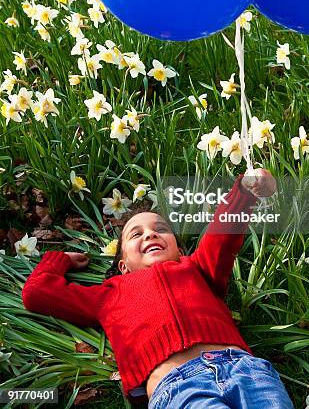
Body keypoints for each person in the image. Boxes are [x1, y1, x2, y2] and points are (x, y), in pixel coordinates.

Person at [22, 169, 294, 408]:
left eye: (160, 229)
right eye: (136, 234)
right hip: (178, 385)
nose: (150, 234)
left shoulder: (198, 268)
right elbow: (38, 293)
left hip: (246, 371)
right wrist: (60, 259)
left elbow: (222, 234)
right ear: (123, 265)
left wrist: (245, 191)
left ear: (179, 249)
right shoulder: (108, 294)